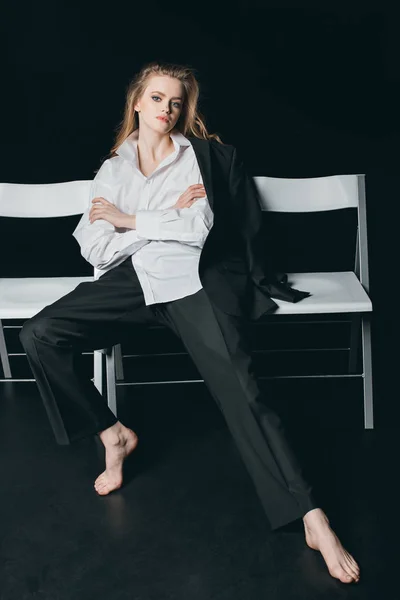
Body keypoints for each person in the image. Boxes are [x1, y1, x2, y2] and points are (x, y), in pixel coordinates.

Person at [19, 61, 360, 584]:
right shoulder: (114, 168)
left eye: (176, 102)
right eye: (157, 99)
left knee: (243, 394)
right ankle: (111, 433)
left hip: (193, 281)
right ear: (137, 102)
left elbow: (196, 229)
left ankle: (313, 518)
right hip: (133, 280)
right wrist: (156, 225)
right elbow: (93, 243)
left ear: (185, 109)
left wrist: (129, 220)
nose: (166, 110)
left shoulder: (196, 159)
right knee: (39, 335)